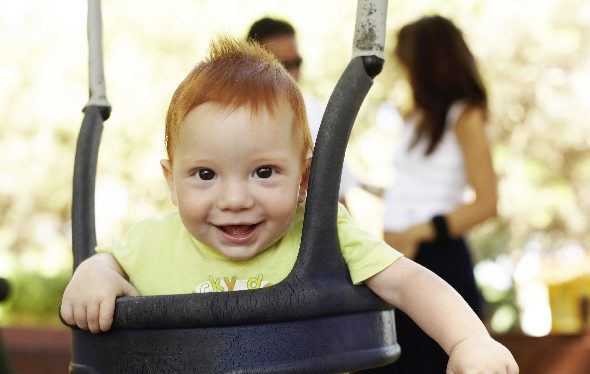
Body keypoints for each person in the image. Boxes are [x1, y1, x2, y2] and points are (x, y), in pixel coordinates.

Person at [60, 36, 517, 373]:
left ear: (304, 179)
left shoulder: (320, 233)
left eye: (264, 172)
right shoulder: (152, 241)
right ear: (171, 182)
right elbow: (106, 265)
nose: (235, 200)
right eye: (205, 175)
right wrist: (93, 276)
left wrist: (468, 340)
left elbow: (409, 282)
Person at [374, 15, 499, 373]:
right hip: (400, 260)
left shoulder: (465, 116)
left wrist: (418, 233)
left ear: (428, 62)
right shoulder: (417, 119)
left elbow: (487, 203)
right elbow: (419, 188)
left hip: (436, 258)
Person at [246, 17, 360, 203]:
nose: (292, 74)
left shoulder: (321, 116)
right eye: (281, 66)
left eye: (296, 63)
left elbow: (337, 200)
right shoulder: (229, 119)